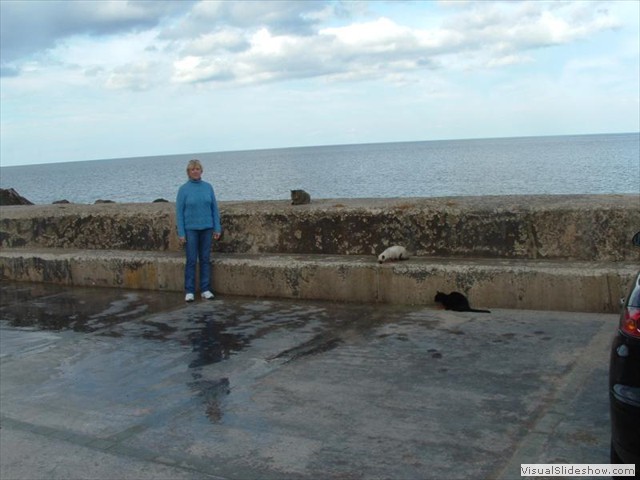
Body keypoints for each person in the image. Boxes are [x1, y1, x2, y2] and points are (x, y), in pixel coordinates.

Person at [176, 159, 222, 302]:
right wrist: (181, 233)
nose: (195, 171)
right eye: (192, 169)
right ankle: (189, 290)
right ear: (188, 172)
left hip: (207, 228)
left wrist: (217, 227)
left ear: (201, 171)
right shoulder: (183, 190)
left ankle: (205, 289)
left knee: (205, 259)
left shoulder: (208, 187)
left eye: (197, 169)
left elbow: (214, 208)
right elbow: (179, 212)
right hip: (191, 230)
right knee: (191, 260)